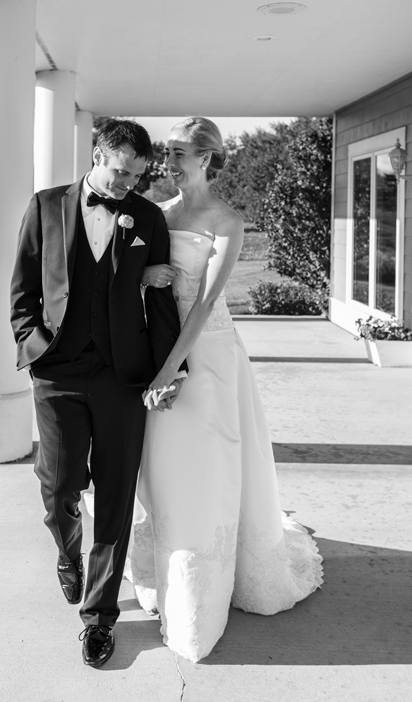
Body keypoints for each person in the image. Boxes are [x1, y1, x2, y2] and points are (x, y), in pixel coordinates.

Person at [126, 116, 323, 663]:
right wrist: (145, 283)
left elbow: (206, 303)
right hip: (160, 350)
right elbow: (137, 279)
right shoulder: (157, 215)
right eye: (167, 153)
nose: (169, 163)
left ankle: (208, 592)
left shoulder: (227, 222)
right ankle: (172, 569)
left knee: (210, 466)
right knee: (165, 469)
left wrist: (170, 369)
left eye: (180, 154)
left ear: (207, 159)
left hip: (209, 357)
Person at [10, 119, 185, 667]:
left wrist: (167, 371)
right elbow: (23, 291)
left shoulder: (149, 218)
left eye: (136, 176)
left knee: (115, 495)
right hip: (57, 372)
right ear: (96, 154)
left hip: (122, 376)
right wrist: (33, 345)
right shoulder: (44, 206)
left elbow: (160, 306)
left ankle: (100, 617)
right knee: (59, 484)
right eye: (119, 171)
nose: (126, 185)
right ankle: (67, 553)